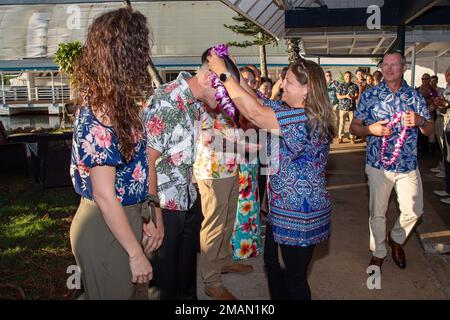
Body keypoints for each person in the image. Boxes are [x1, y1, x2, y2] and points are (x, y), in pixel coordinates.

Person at [208, 51, 336, 300]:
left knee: (293, 277)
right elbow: (255, 99)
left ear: (307, 89)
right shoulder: (291, 111)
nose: (281, 84)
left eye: (287, 80)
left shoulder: (304, 119)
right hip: (283, 209)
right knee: (274, 266)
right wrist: (231, 67)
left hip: (299, 213)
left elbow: (255, 113)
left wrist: (222, 73)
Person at [69, 7, 154, 299]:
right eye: (142, 47)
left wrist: (144, 218)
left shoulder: (114, 102)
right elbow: (105, 195)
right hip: (106, 230)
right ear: (125, 52)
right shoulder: (102, 112)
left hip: (120, 221)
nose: (146, 55)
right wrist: (135, 253)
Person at [350, 50, 434, 271]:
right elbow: (354, 127)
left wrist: (421, 120)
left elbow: (430, 131)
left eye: (393, 64)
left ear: (404, 68)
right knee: (378, 212)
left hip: (407, 165)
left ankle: (396, 239)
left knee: (414, 211)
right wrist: (370, 129)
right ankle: (379, 251)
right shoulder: (370, 95)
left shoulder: (415, 97)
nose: (388, 68)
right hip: (378, 165)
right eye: (384, 64)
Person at [142, 56, 211, 300]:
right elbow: (146, 160)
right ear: (207, 79)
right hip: (165, 205)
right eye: (224, 93)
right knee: (165, 286)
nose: (226, 100)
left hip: (188, 199)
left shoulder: (196, 100)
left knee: (186, 284)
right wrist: (153, 216)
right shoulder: (166, 100)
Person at [194, 49, 253, 300]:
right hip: (212, 169)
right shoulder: (205, 91)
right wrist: (241, 145)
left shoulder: (224, 88)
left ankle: (224, 260)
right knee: (214, 226)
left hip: (230, 165)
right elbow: (206, 137)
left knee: (228, 219)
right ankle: (211, 280)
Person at [433, 67, 450, 204]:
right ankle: (448, 190)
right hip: (447, 124)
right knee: (447, 157)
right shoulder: (447, 87)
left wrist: (444, 103)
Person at [336, 71, 359, 143]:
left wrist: (352, 97)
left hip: (352, 108)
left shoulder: (355, 86)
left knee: (352, 124)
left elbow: (357, 96)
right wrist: (346, 96)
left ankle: (352, 137)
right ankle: (340, 137)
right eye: (346, 76)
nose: (348, 77)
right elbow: (338, 96)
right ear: (344, 77)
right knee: (342, 123)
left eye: (349, 76)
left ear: (351, 77)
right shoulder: (340, 85)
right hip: (342, 108)